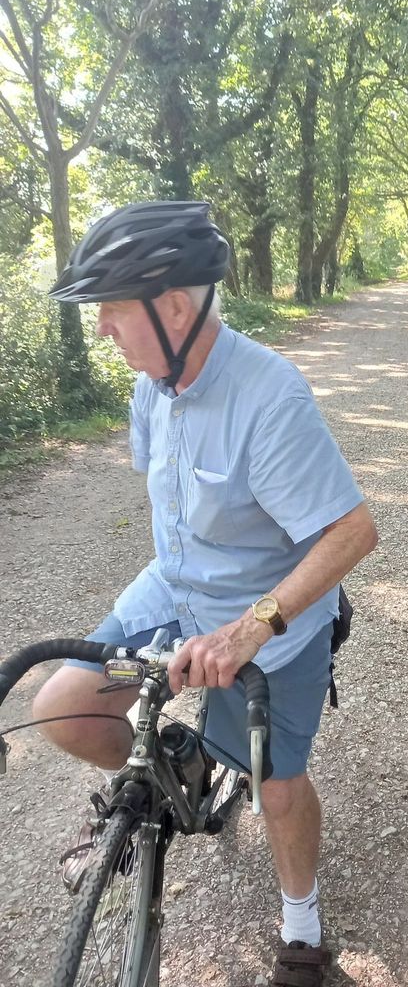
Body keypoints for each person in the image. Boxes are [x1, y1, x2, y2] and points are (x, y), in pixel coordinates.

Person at [35, 200, 377, 987]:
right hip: (171, 594)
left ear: (175, 310)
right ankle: (176, 767)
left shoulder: (269, 398)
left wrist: (250, 629)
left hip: (270, 619)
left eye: (112, 308)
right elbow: (175, 514)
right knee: (64, 711)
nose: (101, 328)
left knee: (275, 785)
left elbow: (353, 533)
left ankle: (302, 923)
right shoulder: (151, 386)